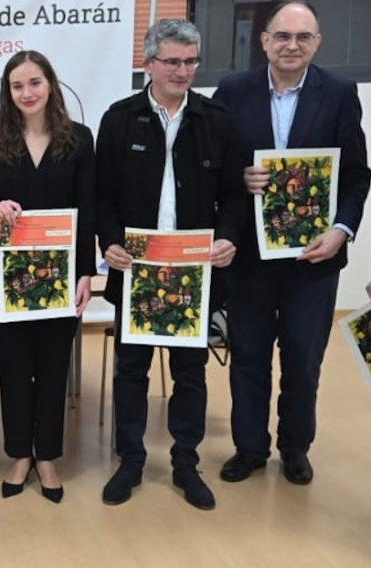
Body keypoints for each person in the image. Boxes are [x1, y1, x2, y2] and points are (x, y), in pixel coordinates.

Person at [212, 0, 370, 486]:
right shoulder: (233, 91)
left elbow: (356, 176)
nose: (292, 45)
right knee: (251, 356)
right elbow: (214, 169)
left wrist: (341, 230)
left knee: (303, 359)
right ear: (264, 40)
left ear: (317, 42)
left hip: (314, 259)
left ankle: (295, 447)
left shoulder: (340, 93)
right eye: (282, 36)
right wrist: (238, 177)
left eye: (303, 37)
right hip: (252, 258)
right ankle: (250, 448)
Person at [95, 20, 246, 510]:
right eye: (173, 62)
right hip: (136, 269)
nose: (183, 71)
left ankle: (185, 461)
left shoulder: (217, 119)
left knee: (190, 372)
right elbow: (104, 198)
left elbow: (235, 195)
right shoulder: (119, 119)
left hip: (195, 273)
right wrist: (110, 243)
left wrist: (228, 238)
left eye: (190, 62)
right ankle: (131, 460)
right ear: (149, 64)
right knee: (132, 370)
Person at [0, 50, 96, 505]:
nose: (26, 93)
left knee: (52, 367)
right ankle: (18, 455)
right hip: (9, 278)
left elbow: (87, 209)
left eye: (35, 83)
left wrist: (86, 270)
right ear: (8, 92)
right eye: (17, 86)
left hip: (62, 275)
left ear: (51, 84)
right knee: (12, 367)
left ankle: (46, 455)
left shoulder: (80, 139)